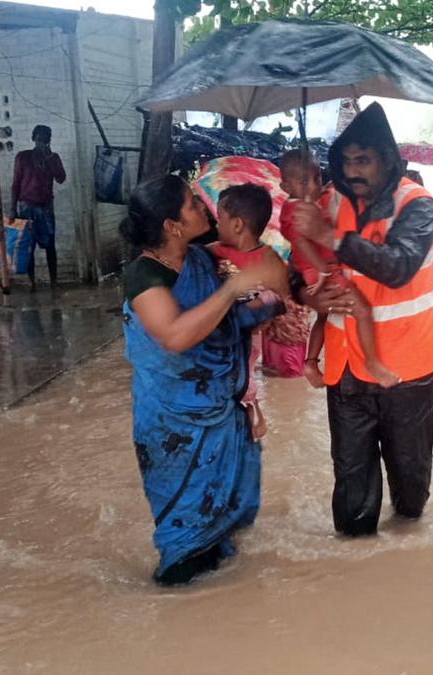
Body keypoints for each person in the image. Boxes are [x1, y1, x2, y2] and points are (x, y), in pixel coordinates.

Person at [290, 102, 433, 537]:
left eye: (362, 160)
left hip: (407, 369)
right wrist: (309, 293)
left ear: (387, 159)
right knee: (352, 486)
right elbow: (296, 271)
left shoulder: (419, 208)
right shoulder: (325, 201)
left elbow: (396, 268)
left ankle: (406, 551)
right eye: (345, 161)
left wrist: (332, 238)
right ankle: (354, 567)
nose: (353, 170)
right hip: (344, 370)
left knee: (411, 486)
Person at [120, 175, 284, 585]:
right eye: (193, 204)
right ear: (171, 226)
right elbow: (175, 336)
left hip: (223, 412)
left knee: (222, 543)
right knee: (183, 545)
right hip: (174, 424)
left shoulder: (201, 260)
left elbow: (230, 317)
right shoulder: (144, 276)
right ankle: (172, 616)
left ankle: (219, 624)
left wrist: (267, 298)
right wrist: (232, 292)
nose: (203, 209)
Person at [279, 150, 400, 390]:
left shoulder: (310, 202)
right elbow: (301, 244)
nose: (314, 186)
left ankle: (311, 362)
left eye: (318, 178)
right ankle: (373, 363)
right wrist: (323, 271)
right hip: (325, 271)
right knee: (362, 311)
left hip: (319, 271)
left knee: (324, 315)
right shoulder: (300, 210)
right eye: (305, 181)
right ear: (285, 185)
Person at [207, 182, 290, 440]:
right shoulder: (213, 251)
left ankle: (253, 418)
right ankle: (248, 417)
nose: (216, 224)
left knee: (242, 371)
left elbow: (283, 299)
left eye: (220, 217)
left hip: (248, 331)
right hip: (222, 326)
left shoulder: (269, 260)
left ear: (237, 224)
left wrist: (262, 306)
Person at [10, 125, 67, 292]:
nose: (42, 140)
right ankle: (32, 282)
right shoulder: (23, 157)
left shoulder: (53, 158)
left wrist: (49, 157)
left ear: (49, 140)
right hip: (26, 206)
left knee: (50, 245)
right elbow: (15, 184)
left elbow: (61, 178)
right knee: (29, 246)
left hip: (46, 207)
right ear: (33, 138)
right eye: (39, 137)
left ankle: (54, 281)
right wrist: (13, 209)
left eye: (45, 138)